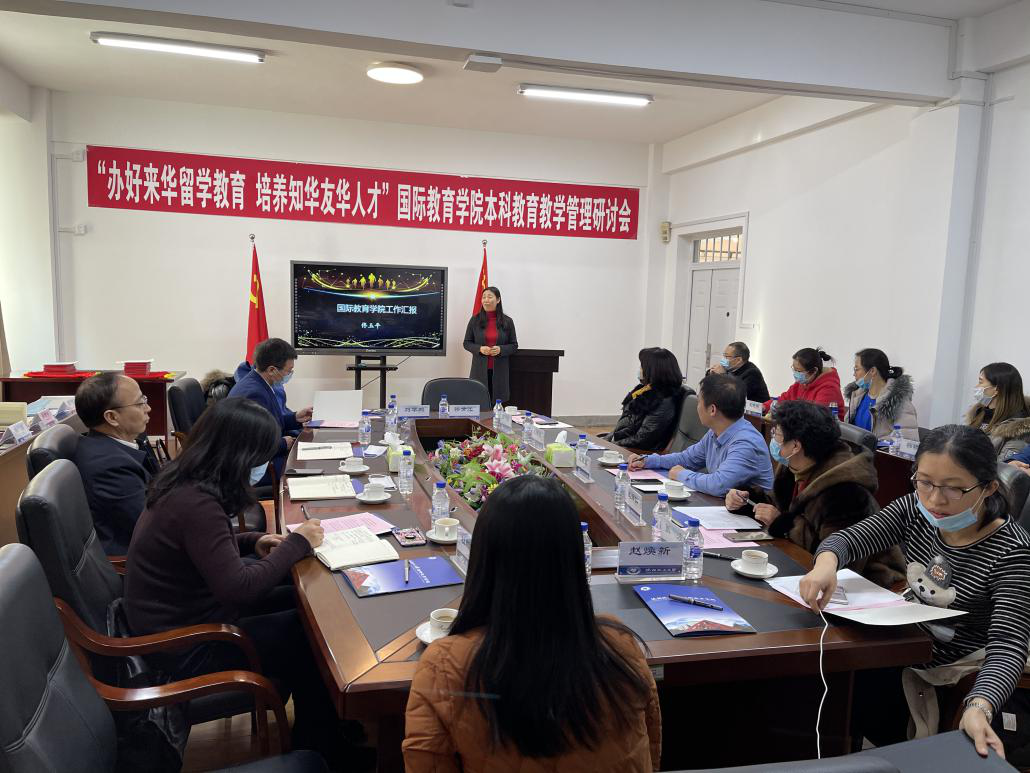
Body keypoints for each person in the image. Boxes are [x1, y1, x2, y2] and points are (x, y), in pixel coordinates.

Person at [122, 398, 347, 761]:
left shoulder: (185, 483)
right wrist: (298, 543)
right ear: (238, 455)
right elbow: (239, 589)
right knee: (311, 637)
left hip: (190, 614)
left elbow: (204, 547)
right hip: (187, 644)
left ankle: (331, 728)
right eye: (259, 456)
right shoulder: (195, 503)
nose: (260, 465)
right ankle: (323, 748)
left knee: (302, 601)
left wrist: (252, 540)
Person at [799, 424, 1030, 759]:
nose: (935, 500)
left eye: (954, 489)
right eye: (924, 482)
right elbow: (849, 539)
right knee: (820, 680)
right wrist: (825, 564)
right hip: (903, 644)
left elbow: (1008, 645)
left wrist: (980, 705)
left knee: (839, 692)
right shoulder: (916, 509)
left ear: (989, 487)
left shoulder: (1013, 552)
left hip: (951, 673)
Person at [403, 475, 660, 772]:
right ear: (574, 557)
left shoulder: (445, 666)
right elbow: (650, 756)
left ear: (484, 557)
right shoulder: (621, 647)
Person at [726, 400, 904, 588]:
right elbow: (778, 505)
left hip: (869, 584)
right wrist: (747, 501)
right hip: (803, 567)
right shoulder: (796, 466)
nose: (773, 441)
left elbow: (837, 555)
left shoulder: (846, 492)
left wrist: (783, 524)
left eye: (776, 435)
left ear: (796, 446)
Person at [629, 373, 773, 496]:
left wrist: (681, 474)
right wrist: (649, 461)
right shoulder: (715, 432)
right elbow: (687, 459)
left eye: (699, 402)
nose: (697, 407)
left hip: (750, 517)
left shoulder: (746, 442)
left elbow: (719, 485)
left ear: (712, 410)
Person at [71, 372, 160, 555]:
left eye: (144, 399)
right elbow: (152, 526)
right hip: (140, 558)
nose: (148, 408)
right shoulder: (109, 466)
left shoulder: (120, 444)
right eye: (140, 403)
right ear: (112, 417)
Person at [228, 338, 312, 478]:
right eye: (289, 371)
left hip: (262, 455)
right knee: (306, 469)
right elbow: (253, 444)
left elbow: (269, 422)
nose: (290, 374)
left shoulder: (259, 382)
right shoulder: (254, 394)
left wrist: (295, 417)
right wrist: (283, 443)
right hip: (253, 467)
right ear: (272, 370)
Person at [607, 347, 689, 452]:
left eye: (642, 366)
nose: (640, 370)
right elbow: (626, 425)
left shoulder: (664, 401)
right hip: (621, 445)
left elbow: (642, 439)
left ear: (653, 370)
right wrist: (607, 439)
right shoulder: (644, 391)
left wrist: (611, 444)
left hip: (635, 453)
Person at [843, 348, 918, 441]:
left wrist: (876, 445)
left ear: (872, 371)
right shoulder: (857, 396)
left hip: (878, 451)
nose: (854, 374)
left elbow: (908, 441)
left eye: (856, 369)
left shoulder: (899, 402)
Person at [463, 286, 518, 403]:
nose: (486, 300)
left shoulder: (507, 321)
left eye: (489, 297)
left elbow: (514, 345)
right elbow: (466, 343)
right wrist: (479, 349)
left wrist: (501, 349)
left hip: (500, 371)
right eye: (483, 297)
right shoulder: (475, 320)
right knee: (479, 402)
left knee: (497, 405)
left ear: (498, 300)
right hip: (479, 370)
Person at [965, 362, 1030, 461]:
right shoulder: (978, 414)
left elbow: (1006, 466)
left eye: (981, 382)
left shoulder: (1019, 428)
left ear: (997, 389)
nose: (977, 386)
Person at [764, 347, 845, 416]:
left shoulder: (829, 388)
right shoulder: (802, 383)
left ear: (814, 371)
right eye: (794, 369)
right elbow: (784, 399)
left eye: (799, 371)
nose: (795, 374)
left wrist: (785, 412)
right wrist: (764, 407)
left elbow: (816, 418)